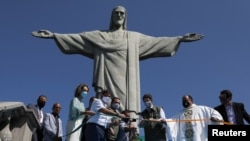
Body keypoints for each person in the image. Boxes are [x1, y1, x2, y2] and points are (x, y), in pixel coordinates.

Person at [31, 6, 204, 117]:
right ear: (112, 16)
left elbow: (156, 41)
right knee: (105, 104)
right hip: (105, 76)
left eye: (122, 13)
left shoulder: (134, 38)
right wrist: (55, 35)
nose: (119, 15)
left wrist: (179, 39)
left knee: (126, 109)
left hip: (127, 80)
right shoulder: (100, 36)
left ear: (125, 17)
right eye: (116, 13)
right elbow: (79, 38)